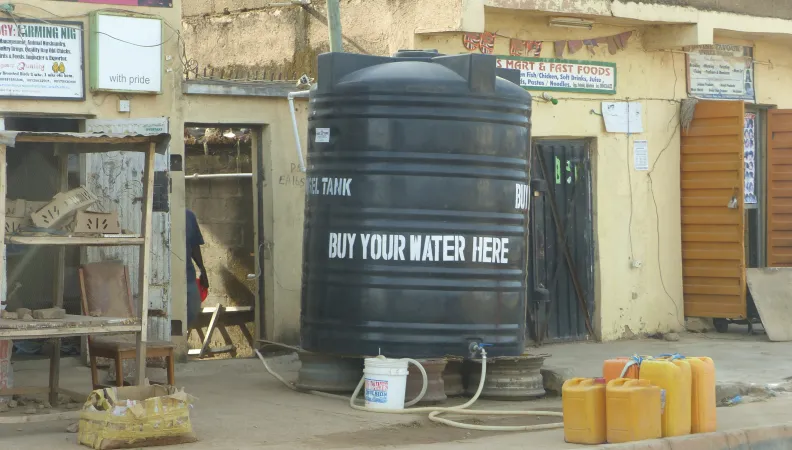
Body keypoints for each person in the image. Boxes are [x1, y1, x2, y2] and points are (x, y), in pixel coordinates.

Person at [186, 209, 208, 328]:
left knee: (194, 307)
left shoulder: (189, 216)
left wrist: (202, 269)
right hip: (162, 276)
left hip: (187, 275)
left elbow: (194, 245)